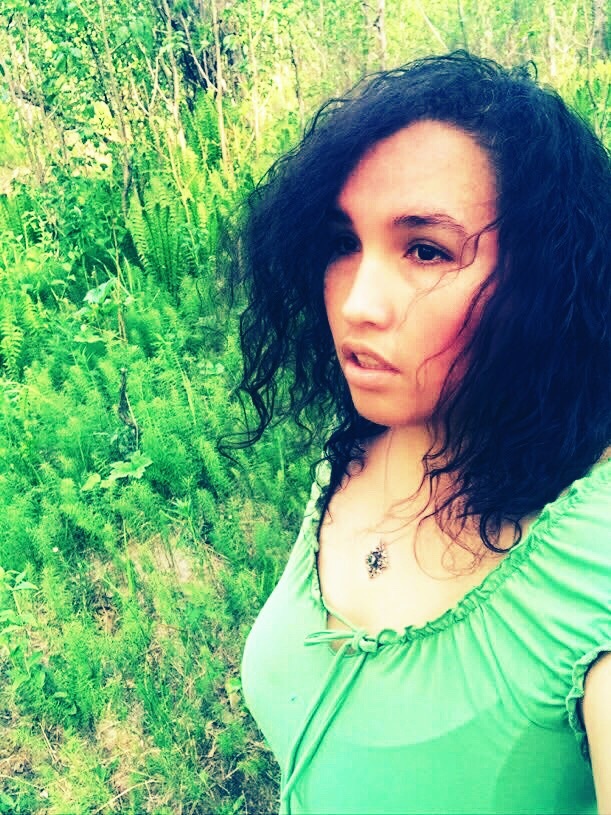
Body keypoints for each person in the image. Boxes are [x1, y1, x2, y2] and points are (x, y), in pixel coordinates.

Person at [232, 52, 611, 814]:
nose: (357, 304)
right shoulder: (369, 439)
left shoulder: (591, 568)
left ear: (541, 282)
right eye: (343, 242)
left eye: (425, 249)